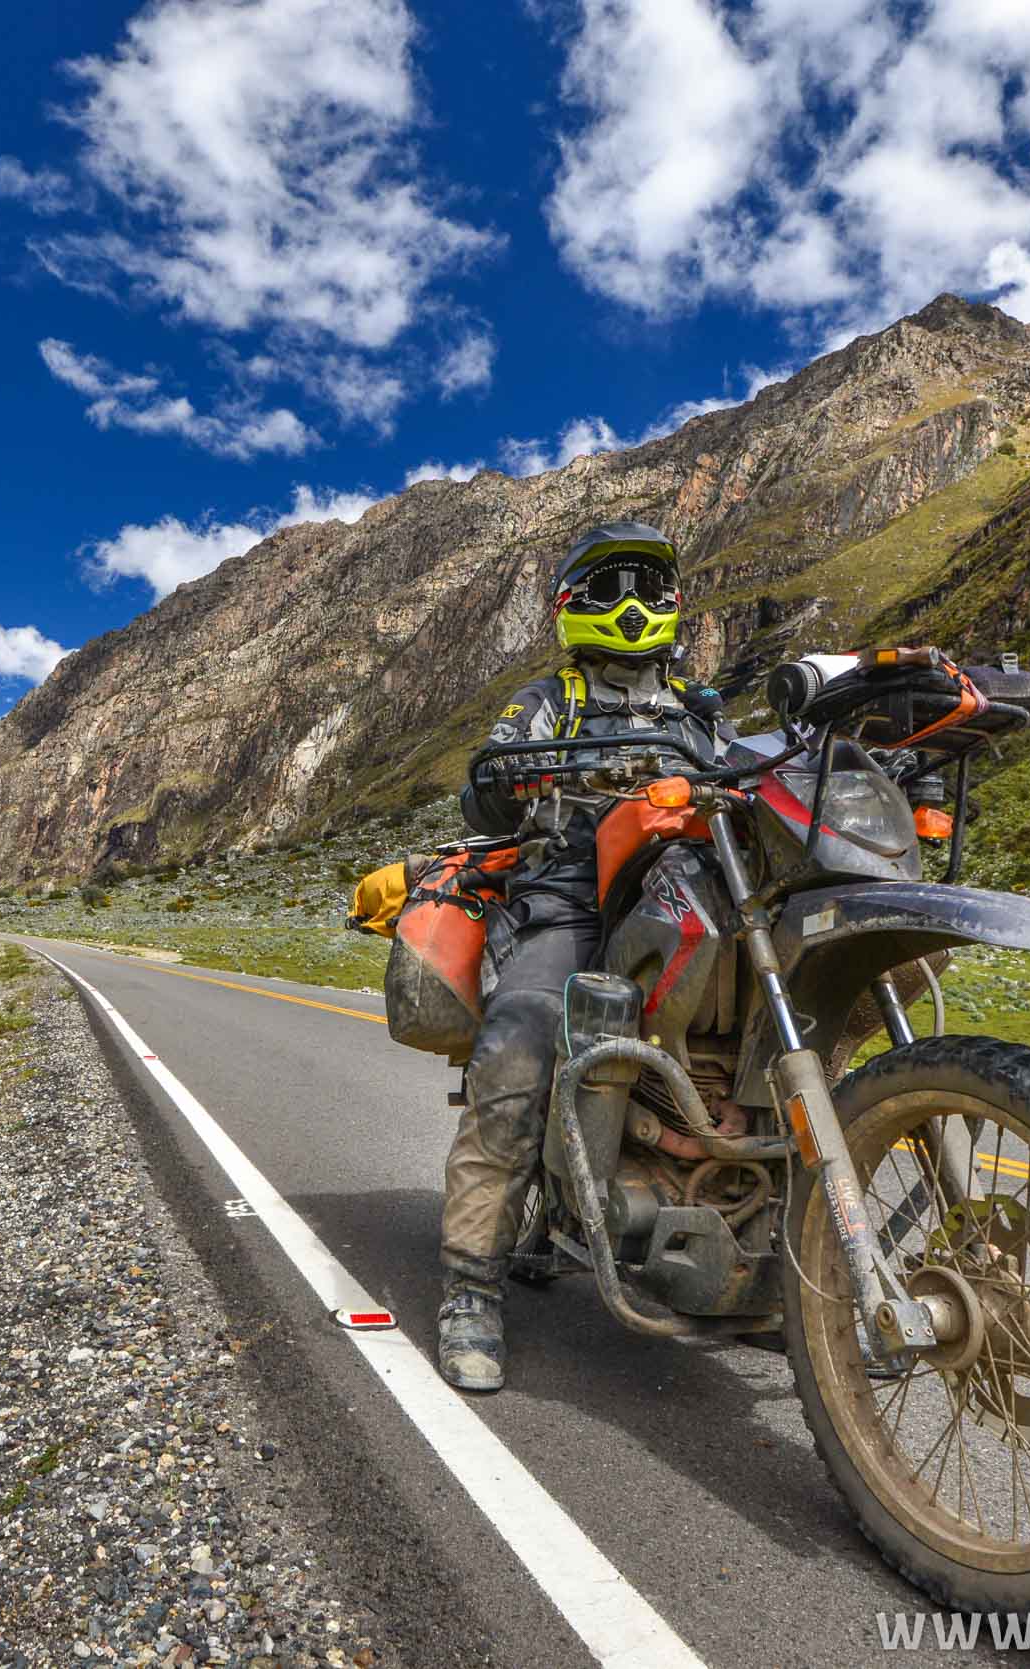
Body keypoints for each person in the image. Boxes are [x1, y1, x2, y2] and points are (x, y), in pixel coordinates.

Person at [436, 522, 717, 1392]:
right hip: (570, 901)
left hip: (686, 892)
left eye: (645, 583)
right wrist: (506, 774)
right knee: (517, 1048)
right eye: (607, 585)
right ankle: (470, 1286)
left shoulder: (698, 709)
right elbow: (483, 786)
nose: (630, 604)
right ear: (571, 605)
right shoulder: (546, 700)